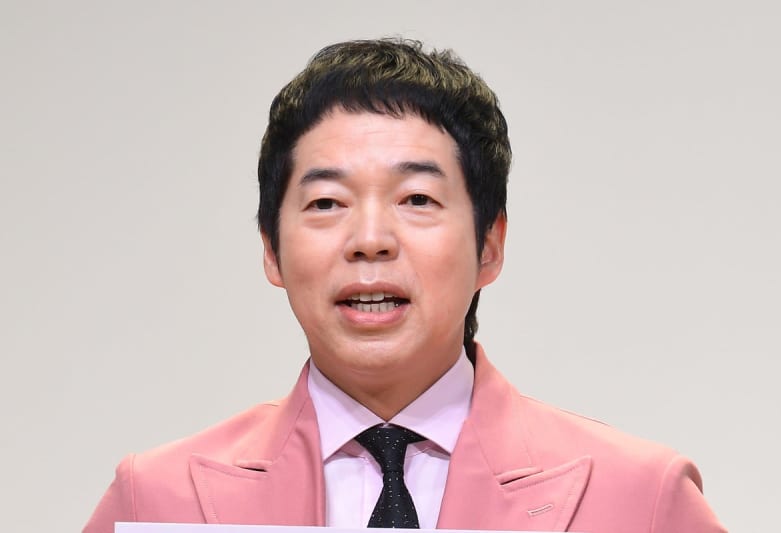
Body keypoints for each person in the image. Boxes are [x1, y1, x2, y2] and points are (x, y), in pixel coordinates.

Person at [84, 39, 726, 533]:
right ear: (271, 250)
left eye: (417, 198)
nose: (370, 239)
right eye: (326, 203)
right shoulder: (158, 500)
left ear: (490, 245)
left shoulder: (640, 498)